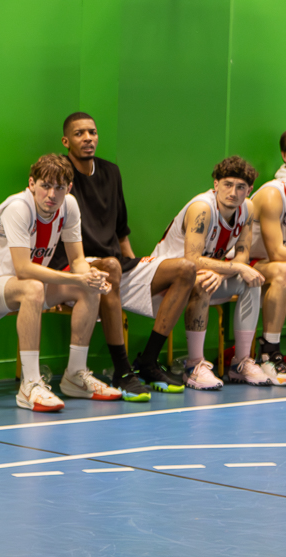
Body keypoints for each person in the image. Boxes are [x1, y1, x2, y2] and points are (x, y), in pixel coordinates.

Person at [0, 154, 123, 411]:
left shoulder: (69, 206)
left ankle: (76, 375)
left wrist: (87, 275)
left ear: (68, 188)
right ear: (32, 183)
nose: (51, 195)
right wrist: (76, 275)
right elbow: (23, 270)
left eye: (59, 187)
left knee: (85, 286)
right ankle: (30, 384)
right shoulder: (18, 208)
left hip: (24, 286)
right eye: (45, 185)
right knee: (33, 286)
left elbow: (77, 259)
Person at [50, 112, 194, 396]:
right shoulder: (59, 177)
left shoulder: (111, 172)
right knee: (112, 267)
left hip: (115, 264)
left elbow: (120, 232)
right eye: (79, 134)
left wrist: (139, 266)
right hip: (73, 267)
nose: (88, 138)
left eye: (92, 132)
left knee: (186, 269)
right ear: (66, 141)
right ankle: (122, 369)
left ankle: (149, 361)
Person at [150, 156, 271, 389]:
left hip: (204, 273)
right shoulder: (202, 208)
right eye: (227, 184)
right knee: (203, 280)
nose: (233, 192)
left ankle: (241, 362)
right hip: (166, 278)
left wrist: (223, 273)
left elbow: (243, 255)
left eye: (240, 187)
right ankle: (193, 366)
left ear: (250, 189)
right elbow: (192, 260)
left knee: (253, 280)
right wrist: (233, 268)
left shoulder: (248, 208)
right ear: (215, 184)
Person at [245, 131, 286, 384]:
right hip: (243, 263)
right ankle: (268, 352)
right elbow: (277, 253)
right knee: (283, 271)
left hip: (272, 263)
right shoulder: (274, 194)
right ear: (284, 156)